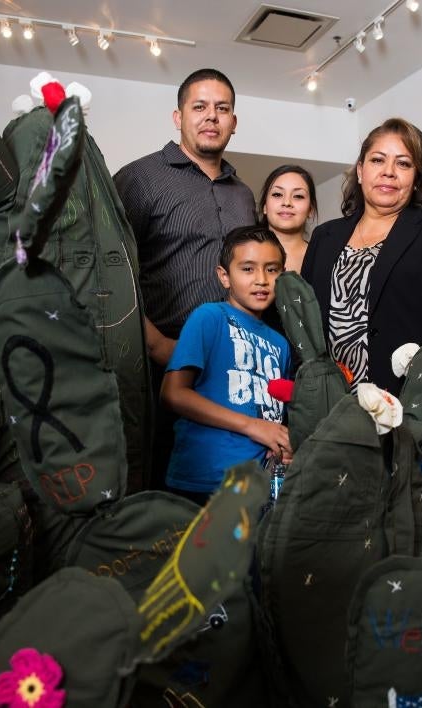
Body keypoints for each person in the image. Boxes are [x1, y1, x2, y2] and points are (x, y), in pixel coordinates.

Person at [114, 68, 256, 488]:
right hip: (163, 361)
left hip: (232, 365)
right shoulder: (139, 179)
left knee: (225, 484)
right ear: (178, 117)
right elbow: (112, 270)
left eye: (222, 108)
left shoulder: (243, 194)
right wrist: (158, 345)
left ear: (233, 121)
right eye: (200, 107)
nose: (211, 116)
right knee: (162, 482)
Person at [301, 117, 422, 396]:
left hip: (406, 408)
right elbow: (306, 325)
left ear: (416, 179)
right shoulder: (324, 237)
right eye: (377, 160)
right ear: (361, 171)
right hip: (329, 406)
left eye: (403, 163)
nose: (389, 172)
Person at [160, 225, 292, 504]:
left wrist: (280, 443)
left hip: (258, 487)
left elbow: (272, 413)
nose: (261, 280)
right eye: (247, 269)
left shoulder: (280, 344)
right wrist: (252, 426)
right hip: (206, 481)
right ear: (224, 276)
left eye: (272, 269)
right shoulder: (209, 317)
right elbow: (173, 393)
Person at [258, 164, 317, 273]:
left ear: (311, 210)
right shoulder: (245, 253)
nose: (287, 203)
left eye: (298, 196)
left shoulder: (324, 257)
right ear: (264, 206)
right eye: (277, 194)